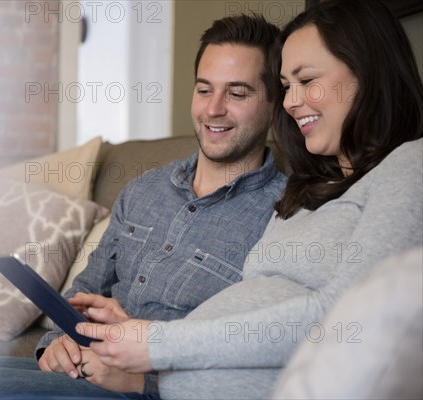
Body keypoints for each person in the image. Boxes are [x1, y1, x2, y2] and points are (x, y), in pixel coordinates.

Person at [0, 15, 286, 400]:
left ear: (273, 104)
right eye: (204, 89)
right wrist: (56, 343)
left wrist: (146, 372)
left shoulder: (282, 216)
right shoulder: (145, 190)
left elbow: (254, 354)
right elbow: (83, 294)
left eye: (237, 93)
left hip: (144, 388)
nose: (214, 108)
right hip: (82, 367)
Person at [75, 0, 423, 399]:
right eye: (287, 86)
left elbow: (345, 320)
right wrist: (133, 333)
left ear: (368, 73)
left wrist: (157, 343)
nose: (292, 102)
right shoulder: (306, 193)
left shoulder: (411, 165)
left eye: (307, 81)